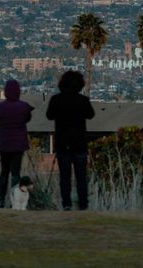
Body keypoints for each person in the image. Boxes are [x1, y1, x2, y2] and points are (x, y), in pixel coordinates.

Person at [46, 70, 95, 211]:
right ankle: (83, 204)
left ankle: (66, 204)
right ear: (80, 85)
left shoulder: (56, 100)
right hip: (80, 144)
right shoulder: (83, 100)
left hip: (62, 144)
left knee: (64, 177)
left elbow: (49, 116)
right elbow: (91, 115)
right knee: (81, 177)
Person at [0, 79, 34, 208]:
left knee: (4, 171)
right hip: (18, 144)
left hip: (4, 143)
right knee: (15, 173)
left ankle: (1, 199)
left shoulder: (0, 107)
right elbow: (28, 118)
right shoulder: (24, 106)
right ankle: (14, 200)